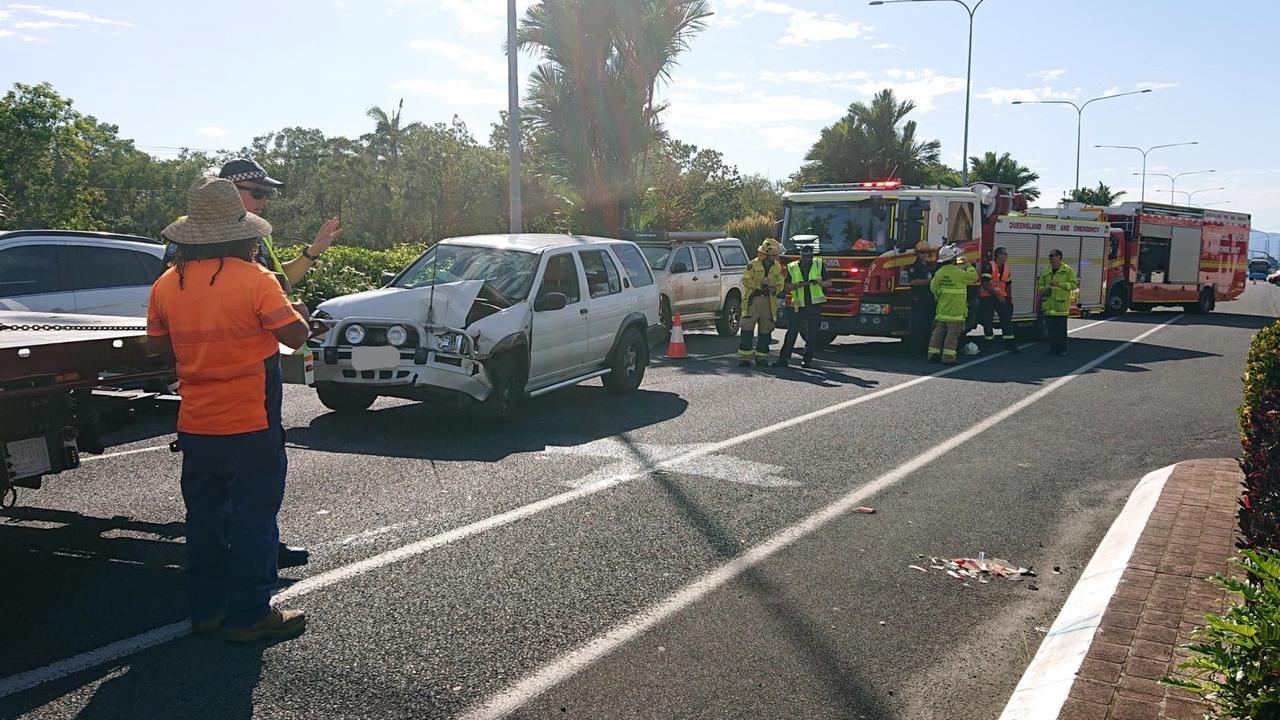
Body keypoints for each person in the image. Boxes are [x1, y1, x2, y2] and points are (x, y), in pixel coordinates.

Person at [148, 176, 310, 642]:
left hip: (197, 422)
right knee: (253, 517)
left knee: (203, 518)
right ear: (245, 234)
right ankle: (249, 614)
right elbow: (295, 338)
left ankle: (208, 610)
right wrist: (297, 312)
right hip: (250, 421)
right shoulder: (255, 280)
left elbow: (159, 350)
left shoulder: (165, 284)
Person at [169, 159, 339, 569]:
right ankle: (251, 582)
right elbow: (282, 318)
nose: (263, 203)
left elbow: (278, 289)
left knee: (210, 499)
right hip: (248, 386)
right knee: (253, 489)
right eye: (257, 193)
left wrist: (313, 252)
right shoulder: (217, 254)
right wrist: (296, 321)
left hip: (205, 398)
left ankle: (220, 585)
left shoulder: (242, 248)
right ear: (230, 192)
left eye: (265, 194)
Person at [774, 245, 832, 369]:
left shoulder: (818, 264)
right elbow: (786, 286)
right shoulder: (793, 266)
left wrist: (820, 282)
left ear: (812, 256)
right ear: (800, 255)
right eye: (804, 256)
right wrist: (797, 286)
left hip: (814, 304)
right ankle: (783, 358)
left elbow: (829, 283)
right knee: (792, 332)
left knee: (812, 333)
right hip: (798, 304)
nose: (806, 259)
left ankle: (807, 360)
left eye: (809, 257)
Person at [738, 238, 786, 367]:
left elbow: (781, 282)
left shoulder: (777, 266)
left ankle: (762, 357)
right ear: (767, 254)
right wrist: (760, 284)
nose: (776, 257)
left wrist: (774, 287)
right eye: (774, 255)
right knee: (747, 329)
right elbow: (745, 280)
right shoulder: (753, 264)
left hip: (768, 301)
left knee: (766, 330)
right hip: (753, 301)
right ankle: (745, 357)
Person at [927, 245, 978, 364]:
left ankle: (933, 355)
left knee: (937, 335)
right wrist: (968, 265)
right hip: (956, 312)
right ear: (953, 258)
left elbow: (933, 288)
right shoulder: (958, 273)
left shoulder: (939, 273)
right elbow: (974, 277)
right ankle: (948, 358)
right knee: (952, 336)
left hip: (942, 311)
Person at [977, 246, 1018, 353]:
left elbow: (1008, 284)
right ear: (998, 255)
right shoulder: (989, 266)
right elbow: (985, 283)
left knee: (1006, 320)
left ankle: (1010, 344)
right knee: (988, 321)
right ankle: (988, 345)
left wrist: (1009, 298)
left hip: (1001, 298)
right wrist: (997, 295)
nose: (1006, 256)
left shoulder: (1006, 268)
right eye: (1004, 254)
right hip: (988, 297)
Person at [1037, 248, 1078, 357]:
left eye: (1055, 259)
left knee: (1060, 332)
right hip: (1048, 307)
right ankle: (1053, 349)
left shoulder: (1068, 270)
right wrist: (1044, 289)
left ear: (1060, 259)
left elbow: (1074, 285)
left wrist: (1059, 284)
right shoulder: (1046, 271)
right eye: (1051, 259)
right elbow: (1040, 285)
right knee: (1051, 332)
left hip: (1061, 307)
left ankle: (1062, 350)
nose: (1053, 261)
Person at [906, 241, 935, 356]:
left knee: (928, 325)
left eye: (927, 253)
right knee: (918, 326)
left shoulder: (929, 267)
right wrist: (930, 282)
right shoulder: (915, 267)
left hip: (928, 300)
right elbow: (913, 282)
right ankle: (915, 350)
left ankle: (925, 349)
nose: (925, 255)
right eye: (922, 253)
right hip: (918, 300)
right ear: (917, 254)